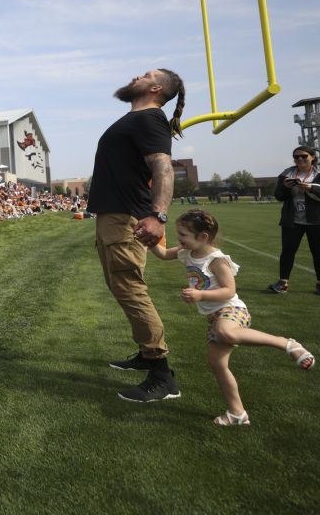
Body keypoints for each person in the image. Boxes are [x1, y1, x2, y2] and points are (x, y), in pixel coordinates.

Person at [150, 209, 316, 425]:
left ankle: (287, 344)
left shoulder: (216, 260)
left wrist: (200, 294)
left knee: (225, 331)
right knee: (217, 364)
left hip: (232, 310)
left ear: (203, 237)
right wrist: (150, 240)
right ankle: (236, 413)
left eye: (183, 235)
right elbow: (163, 254)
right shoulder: (185, 252)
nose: (179, 240)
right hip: (214, 316)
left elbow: (229, 290)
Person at [89, 68, 186, 403]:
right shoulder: (136, 119)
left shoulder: (149, 119)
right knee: (122, 287)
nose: (136, 76)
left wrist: (158, 216)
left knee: (131, 290)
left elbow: (162, 166)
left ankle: (161, 374)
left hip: (125, 218)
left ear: (156, 88)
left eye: (146, 75)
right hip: (112, 216)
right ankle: (147, 354)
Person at [268, 145, 320, 296]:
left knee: (319, 252)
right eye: (296, 157)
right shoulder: (286, 174)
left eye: (304, 156)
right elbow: (279, 196)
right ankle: (283, 283)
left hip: (319, 220)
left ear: (313, 157)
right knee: (288, 251)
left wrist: (311, 188)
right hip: (293, 220)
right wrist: (284, 187)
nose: (300, 159)